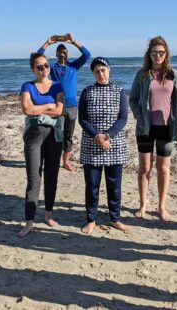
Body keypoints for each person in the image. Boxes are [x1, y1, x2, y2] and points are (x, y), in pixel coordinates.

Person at [129, 36, 177, 221]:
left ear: (166, 54)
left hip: (167, 128)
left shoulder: (174, 75)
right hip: (145, 127)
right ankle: (143, 204)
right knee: (145, 167)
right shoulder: (142, 75)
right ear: (149, 54)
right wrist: (138, 115)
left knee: (163, 168)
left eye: (161, 52)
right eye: (154, 53)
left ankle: (162, 206)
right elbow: (133, 99)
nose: (157, 56)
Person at [78, 57, 129, 234]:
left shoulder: (120, 91)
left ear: (109, 70)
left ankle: (115, 218)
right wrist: (97, 136)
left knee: (114, 184)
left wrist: (107, 135)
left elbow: (123, 118)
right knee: (92, 185)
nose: (101, 74)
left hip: (114, 144)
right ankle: (91, 219)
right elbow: (82, 118)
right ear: (93, 73)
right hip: (91, 144)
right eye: (97, 71)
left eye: (103, 70)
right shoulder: (87, 91)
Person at [18, 52, 65, 237]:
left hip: (54, 136)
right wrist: (48, 107)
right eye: (39, 67)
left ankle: (48, 214)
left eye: (46, 66)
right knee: (34, 178)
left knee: (51, 176)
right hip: (33, 136)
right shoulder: (27, 86)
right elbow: (26, 109)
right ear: (33, 69)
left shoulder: (57, 86)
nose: (44, 69)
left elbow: (60, 109)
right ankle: (29, 222)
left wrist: (40, 110)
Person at [37, 33, 91, 172]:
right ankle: (52, 160)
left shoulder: (74, 66)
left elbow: (87, 54)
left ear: (67, 53)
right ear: (56, 54)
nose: (62, 51)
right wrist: (48, 43)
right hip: (57, 105)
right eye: (59, 50)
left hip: (72, 106)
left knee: (68, 135)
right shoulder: (53, 67)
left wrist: (73, 41)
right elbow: (38, 58)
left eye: (64, 49)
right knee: (56, 134)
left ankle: (66, 161)